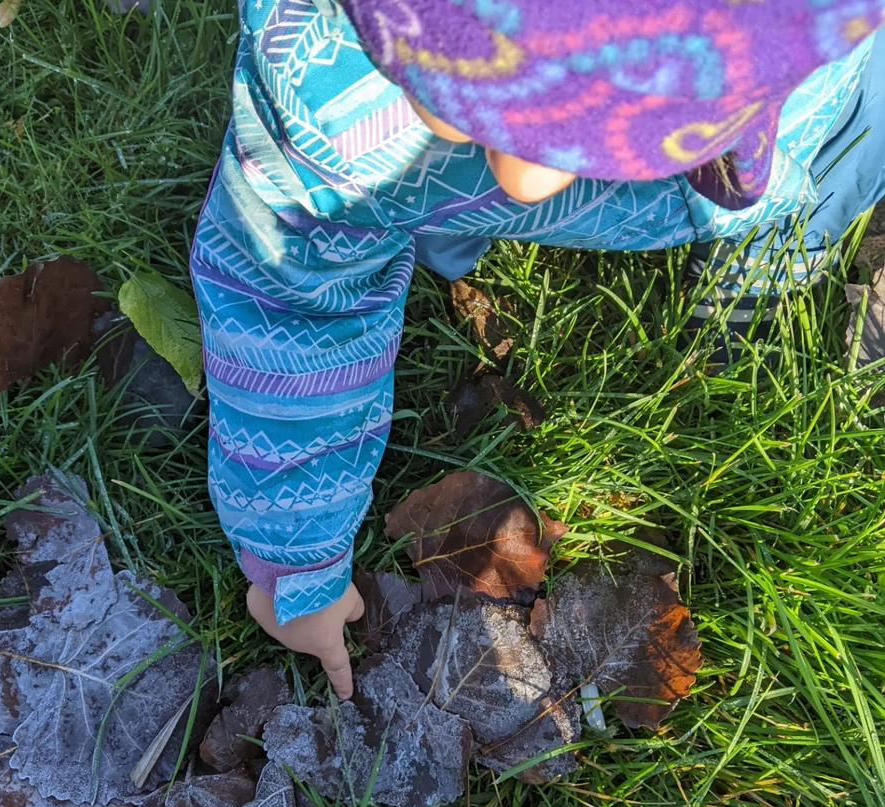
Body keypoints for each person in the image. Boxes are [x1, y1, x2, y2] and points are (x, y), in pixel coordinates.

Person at [190, 0, 885, 699]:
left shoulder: (828, 47)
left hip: (793, 113)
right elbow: (286, 301)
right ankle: (439, 215)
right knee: (424, 189)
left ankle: (766, 251)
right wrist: (297, 561)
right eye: (479, 83)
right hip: (427, 154)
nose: (527, 175)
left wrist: (754, 152)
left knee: (833, 157)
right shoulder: (328, 92)